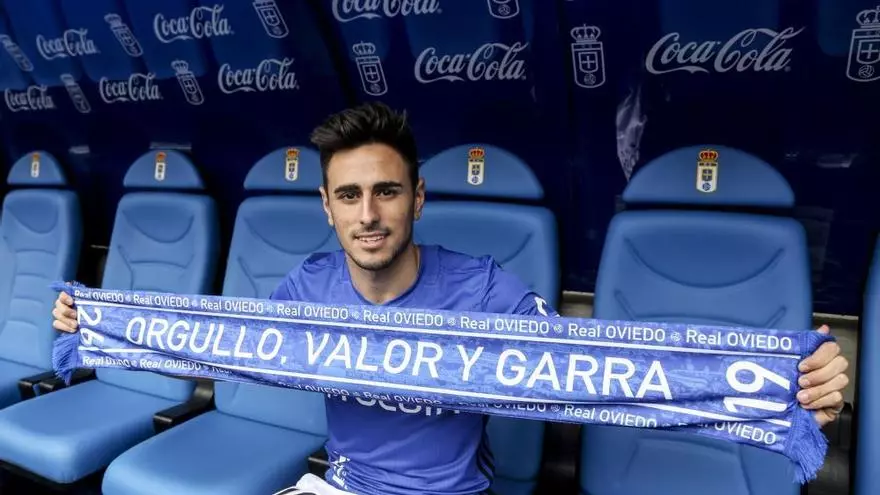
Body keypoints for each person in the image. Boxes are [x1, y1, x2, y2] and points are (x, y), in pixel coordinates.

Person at [51, 102, 851, 495]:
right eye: (349, 196)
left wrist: (783, 387)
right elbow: (207, 340)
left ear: (419, 198)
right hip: (343, 487)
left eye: (387, 191)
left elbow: (593, 368)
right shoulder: (305, 288)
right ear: (326, 207)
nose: (369, 215)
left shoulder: (486, 287)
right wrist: (94, 324)